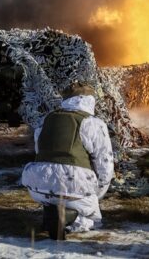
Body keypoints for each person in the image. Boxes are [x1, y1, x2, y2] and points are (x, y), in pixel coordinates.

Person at [22, 82, 114, 237]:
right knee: (88, 215)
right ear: (90, 100)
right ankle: (67, 218)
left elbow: (40, 151)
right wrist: (97, 193)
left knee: (55, 196)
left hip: (37, 184)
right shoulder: (93, 123)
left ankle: (51, 213)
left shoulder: (47, 120)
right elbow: (105, 162)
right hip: (73, 185)